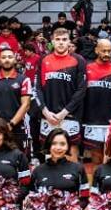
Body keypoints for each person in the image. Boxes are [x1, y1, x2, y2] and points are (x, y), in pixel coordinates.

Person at [25, 128, 90, 210]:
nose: (58, 148)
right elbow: (32, 198)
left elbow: (84, 198)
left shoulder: (77, 168)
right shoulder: (38, 170)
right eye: (54, 143)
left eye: (62, 144)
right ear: (49, 145)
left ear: (68, 146)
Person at [34, 28, 88, 158]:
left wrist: (64, 112)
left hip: (70, 115)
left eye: (64, 39)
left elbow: (81, 90)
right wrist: (45, 112)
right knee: (50, 156)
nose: (61, 42)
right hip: (48, 116)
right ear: (52, 41)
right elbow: (37, 88)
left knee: (71, 155)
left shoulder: (79, 60)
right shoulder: (43, 60)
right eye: (57, 39)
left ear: (69, 41)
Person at [80, 38, 111, 162]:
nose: (107, 54)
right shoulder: (86, 67)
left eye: (109, 51)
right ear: (96, 50)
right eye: (104, 51)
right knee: (95, 155)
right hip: (91, 119)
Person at [0, 49, 33, 153]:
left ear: (15, 60)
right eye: (4, 57)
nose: (7, 60)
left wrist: (11, 124)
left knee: (19, 158)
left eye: (10, 57)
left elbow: (26, 105)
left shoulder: (24, 80)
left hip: (17, 128)